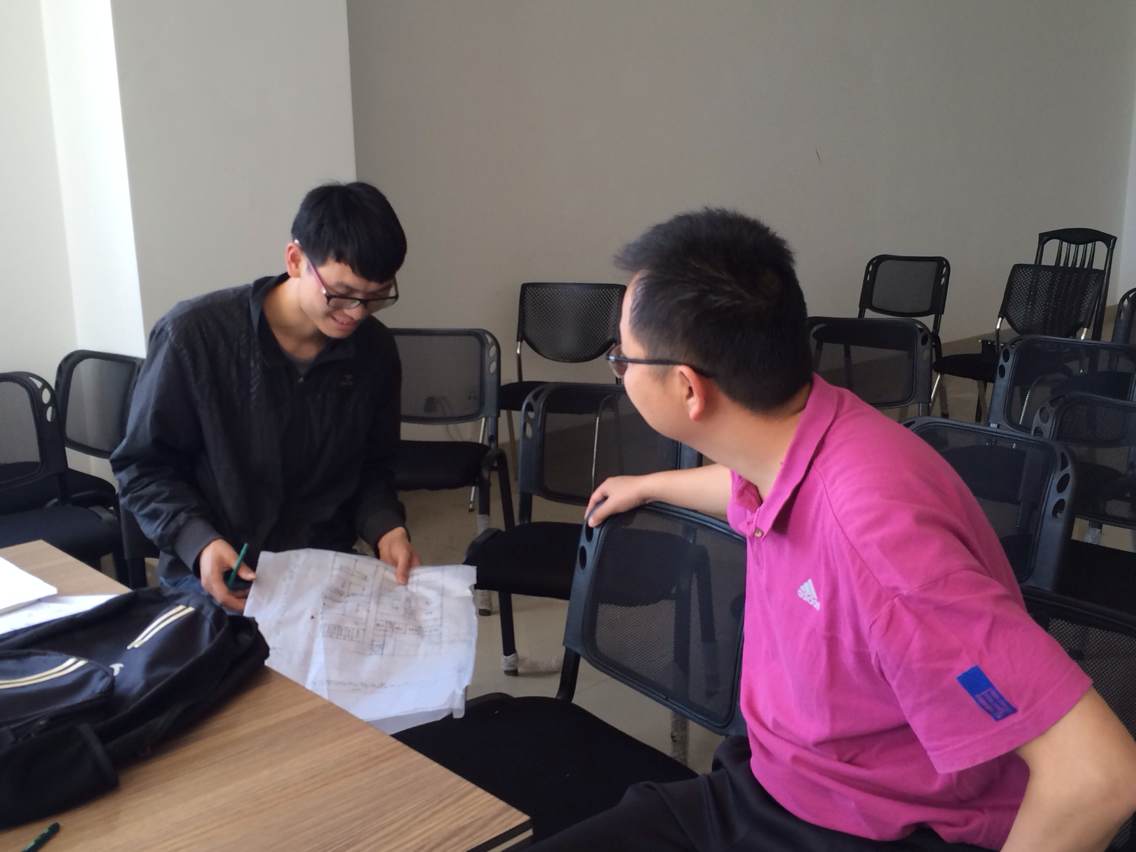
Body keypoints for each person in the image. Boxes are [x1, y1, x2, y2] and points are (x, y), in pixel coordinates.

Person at [536, 209, 1136, 850]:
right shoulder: (808, 432)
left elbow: (1099, 775)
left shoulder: (881, 544)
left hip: (870, 826)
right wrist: (651, 484)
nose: (620, 370)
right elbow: (753, 484)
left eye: (622, 357)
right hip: (777, 783)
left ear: (687, 388)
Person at [112, 181, 420, 612]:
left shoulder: (374, 350)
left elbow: (373, 466)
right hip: (218, 574)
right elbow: (143, 468)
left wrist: (386, 527)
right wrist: (198, 542)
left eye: (375, 298)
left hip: (321, 571)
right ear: (295, 260)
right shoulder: (194, 336)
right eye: (341, 294)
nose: (356, 313)